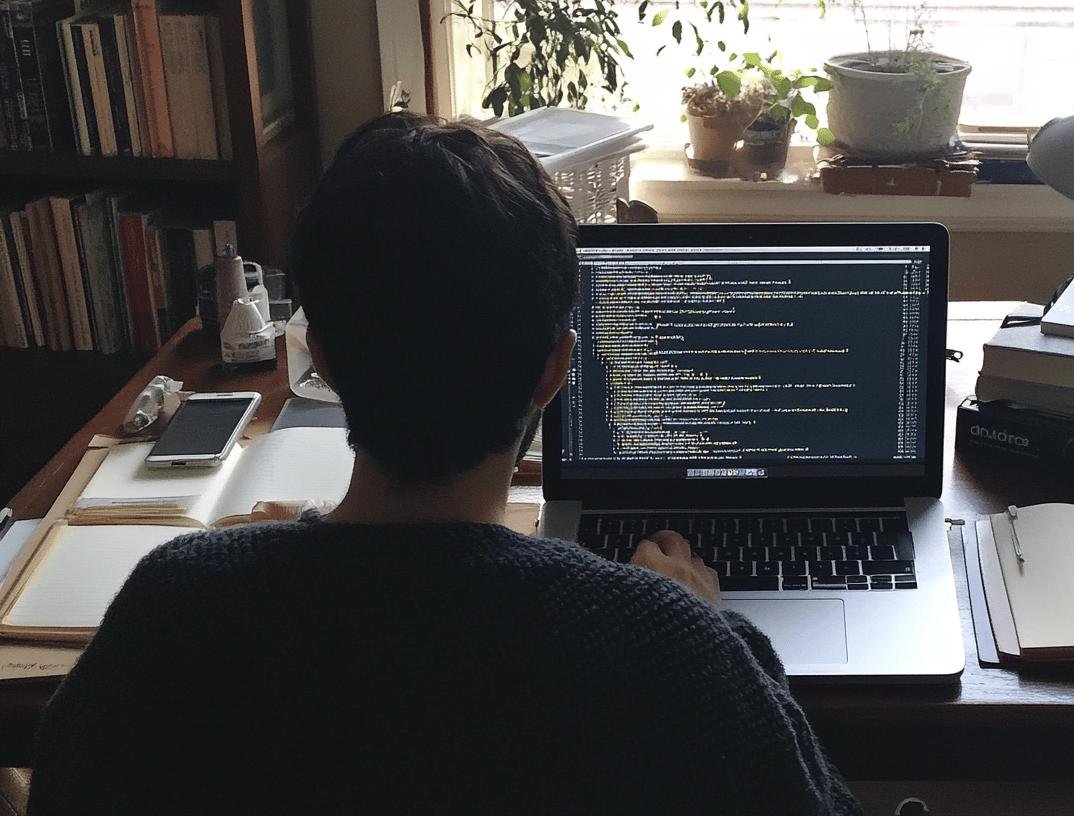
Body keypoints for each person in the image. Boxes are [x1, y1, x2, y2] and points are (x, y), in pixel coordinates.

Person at [28, 113, 861, 816]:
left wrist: (280, 561)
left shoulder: (175, 606)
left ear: (321, 355)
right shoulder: (665, 641)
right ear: (556, 369)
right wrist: (720, 627)